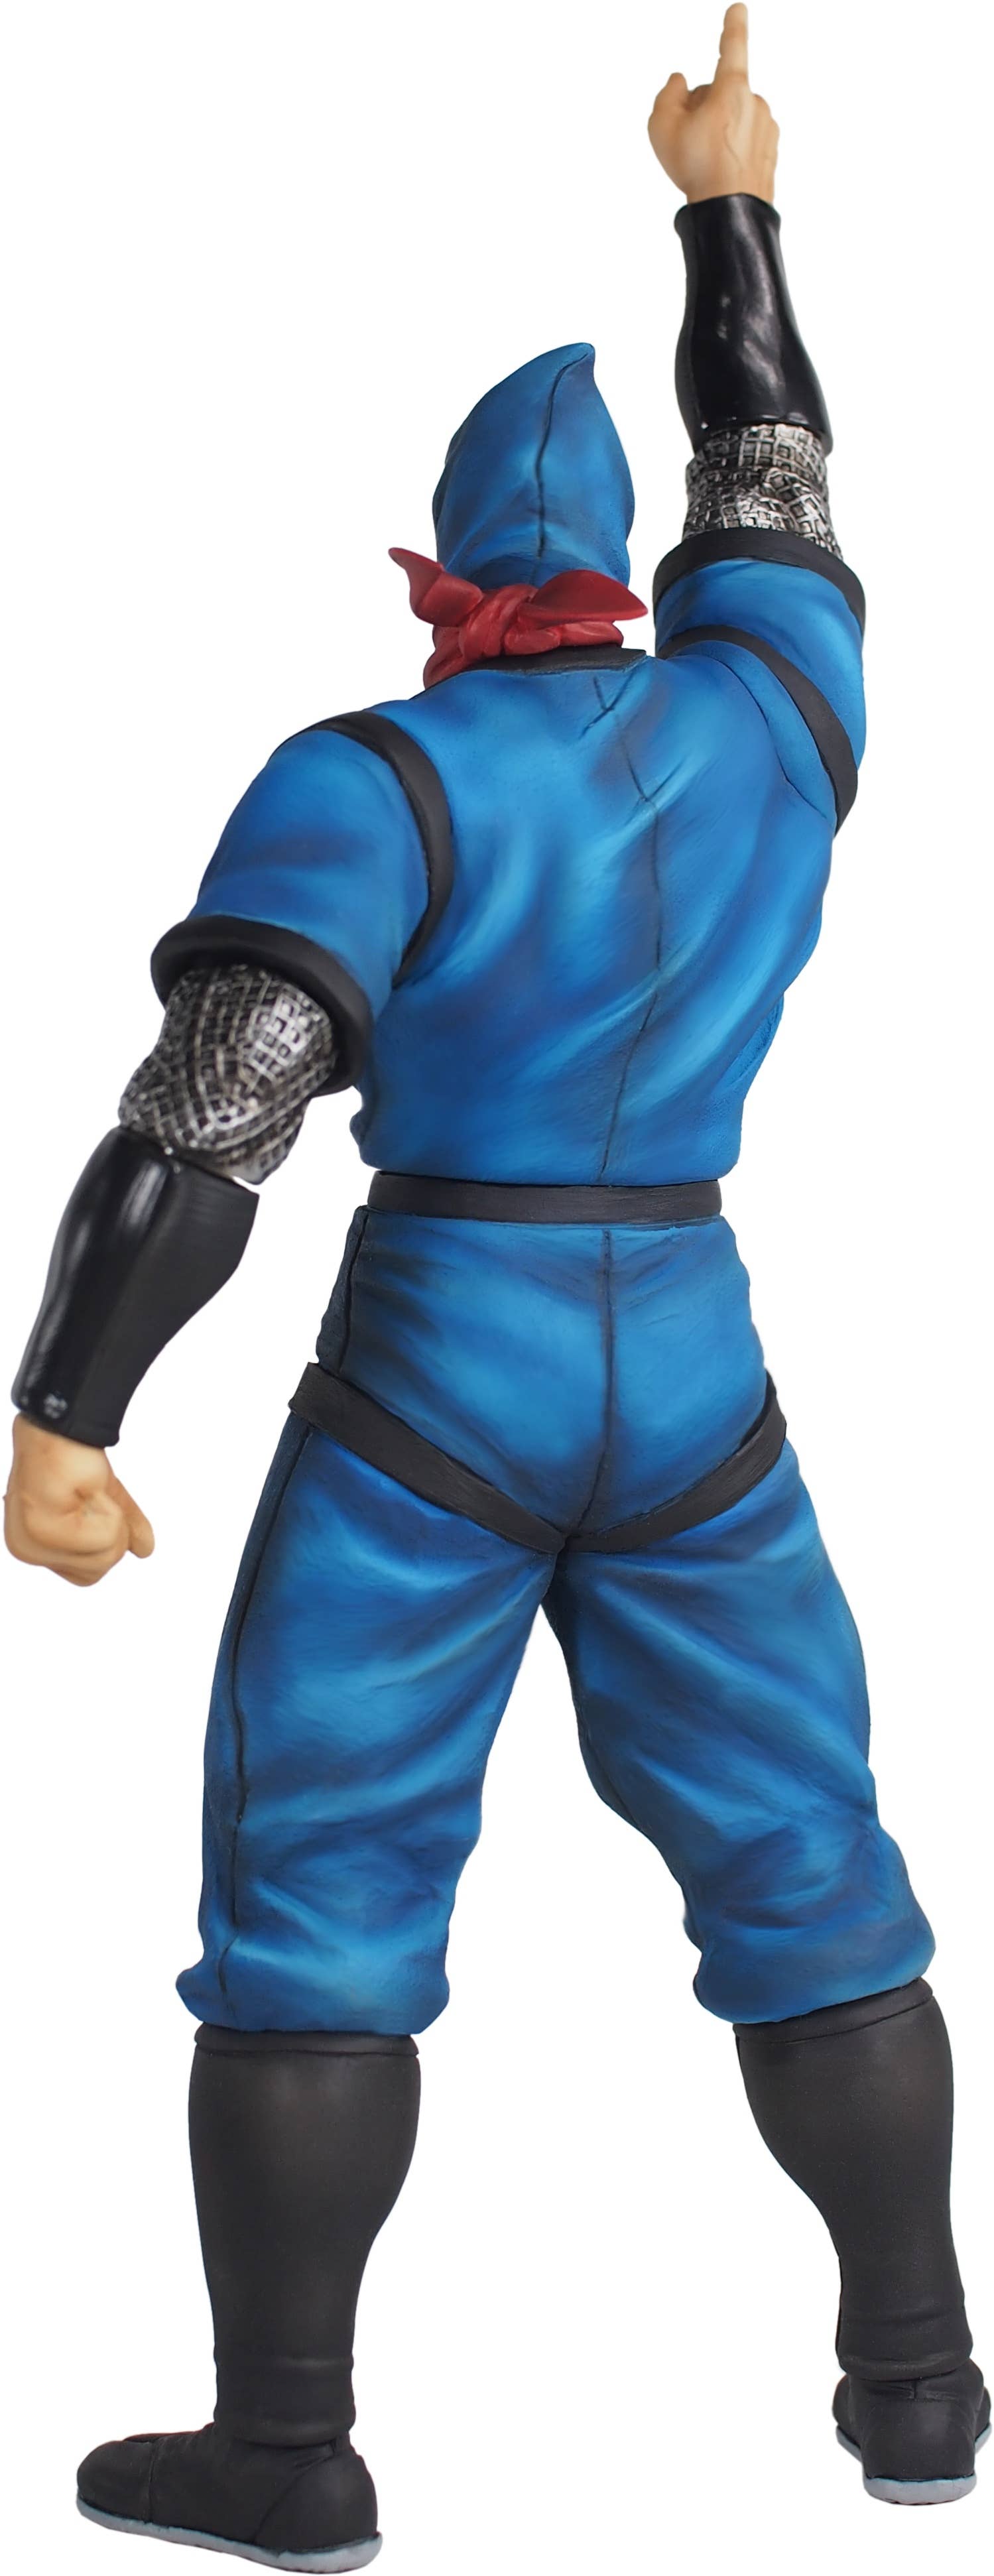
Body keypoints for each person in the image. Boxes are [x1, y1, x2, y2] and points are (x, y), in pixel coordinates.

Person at [6, 7, 987, 2559]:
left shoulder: (371, 776)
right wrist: (726, 206)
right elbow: (774, 464)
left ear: (446, 572)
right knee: (806, 1856)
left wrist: (68, 1409)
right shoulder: (776, 719)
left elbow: (209, 1111)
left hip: (439, 1357)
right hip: (690, 1351)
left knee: (318, 1889)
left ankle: (287, 2443)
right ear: (629, 567)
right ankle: (917, 2384)